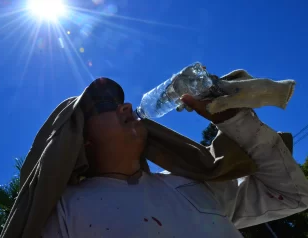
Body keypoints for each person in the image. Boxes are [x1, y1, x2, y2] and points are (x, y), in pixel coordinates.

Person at [41, 78, 308, 238]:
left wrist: (234, 121)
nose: (126, 107)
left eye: (120, 101)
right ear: (78, 139)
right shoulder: (63, 210)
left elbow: (292, 195)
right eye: (103, 107)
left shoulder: (193, 184)